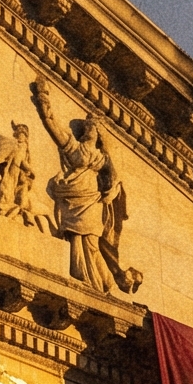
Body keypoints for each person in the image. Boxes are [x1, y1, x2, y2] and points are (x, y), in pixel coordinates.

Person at [35, 81, 142, 294]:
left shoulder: (102, 158)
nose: (90, 129)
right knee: (76, 238)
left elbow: (111, 176)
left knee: (91, 243)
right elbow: (54, 127)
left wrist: (110, 191)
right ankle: (89, 278)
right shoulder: (75, 149)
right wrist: (43, 102)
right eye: (88, 128)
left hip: (92, 202)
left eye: (94, 128)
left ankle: (98, 282)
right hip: (73, 198)